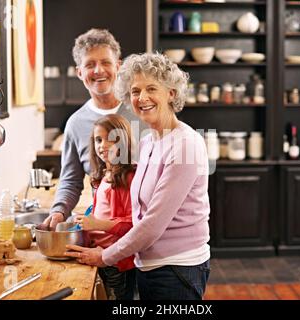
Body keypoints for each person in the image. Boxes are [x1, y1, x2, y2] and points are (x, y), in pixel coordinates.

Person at [65, 52, 211, 300]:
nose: (142, 98)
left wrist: (105, 256)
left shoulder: (186, 144)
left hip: (177, 269)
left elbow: (152, 225)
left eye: (151, 89)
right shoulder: (147, 142)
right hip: (148, 265)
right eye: (135, 91)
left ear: (171, 94)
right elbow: (136, 206)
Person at [43, 29, 144, 229]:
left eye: (105, 62)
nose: (98, 70)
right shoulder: (75, 124)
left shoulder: (143, 113)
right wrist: (59, 211)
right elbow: (70, 180)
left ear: (118, 66)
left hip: (148, 236)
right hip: (106, 235)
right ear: (80, 72)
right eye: (90, 64)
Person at [74, 114, 136, 300]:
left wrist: (97, 224)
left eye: (111, 139)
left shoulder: (128, 178)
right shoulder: (105, 174)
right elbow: (103, 211)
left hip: (116, 261)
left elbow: (133, 224)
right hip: (100, 255)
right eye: (98, 140)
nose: (103, 145)